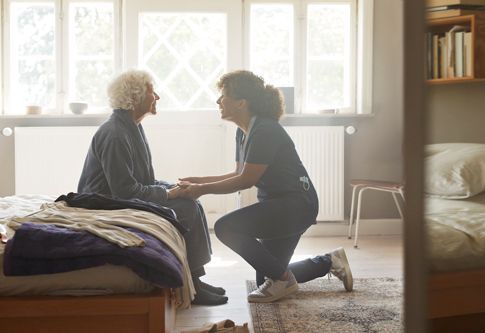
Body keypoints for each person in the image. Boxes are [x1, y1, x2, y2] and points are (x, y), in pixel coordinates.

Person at [177, 70, 353, 303]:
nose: (218, 101)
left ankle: (284, 278)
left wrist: (201, 191)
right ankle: (329, 262)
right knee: (267, 280)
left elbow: (245, 181)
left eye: (223, 95)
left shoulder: (265, 130)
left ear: (241, 102)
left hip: (295, 206)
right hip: (277, 204)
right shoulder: (243, 132)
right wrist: (198, 181)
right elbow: (239, 173)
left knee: (226, 228)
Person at [77, 70, 227, 305]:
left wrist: (177, 187)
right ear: (134, 97)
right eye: (152, 92)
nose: (157, 97)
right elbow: (124, 192)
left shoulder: (132, 126)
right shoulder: (115, 134)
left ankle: (196, 278)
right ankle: (194, 285)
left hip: (121, 195)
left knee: (191, 200)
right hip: (105, 204)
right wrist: (169, 193)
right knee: (186, 208)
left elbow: (145, 179)